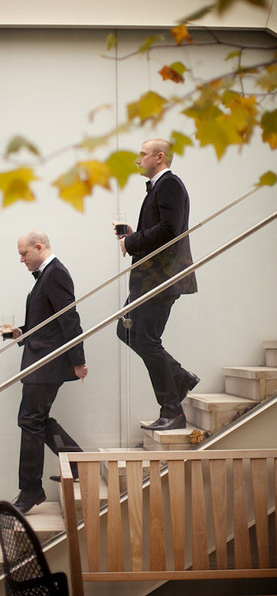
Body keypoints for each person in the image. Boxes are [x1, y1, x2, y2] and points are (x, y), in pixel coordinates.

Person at [115, 138, 199, 431]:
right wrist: (134, 235)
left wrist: (131, 241)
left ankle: (172, 411)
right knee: (126, 332)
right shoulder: (160, 187)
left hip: (160, 279)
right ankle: (179, 377)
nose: (138, 159)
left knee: (147, 340)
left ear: (160, 157)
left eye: (143, 154)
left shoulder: (169, 184)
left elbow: (170, 230)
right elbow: (163, 229)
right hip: (151, 278)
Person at [2, 230, 88, 514]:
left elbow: (69, 318)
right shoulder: (47, 275)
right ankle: (77, 463)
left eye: (24, 253)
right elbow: (45, 323)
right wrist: (21, 332)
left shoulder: (56, 274)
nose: (21, 260)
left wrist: (78, 360)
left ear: (38, 247)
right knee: (36, 419)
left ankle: (31, 490)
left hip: (46, 363)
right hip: (40, 361)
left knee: (30, 420)